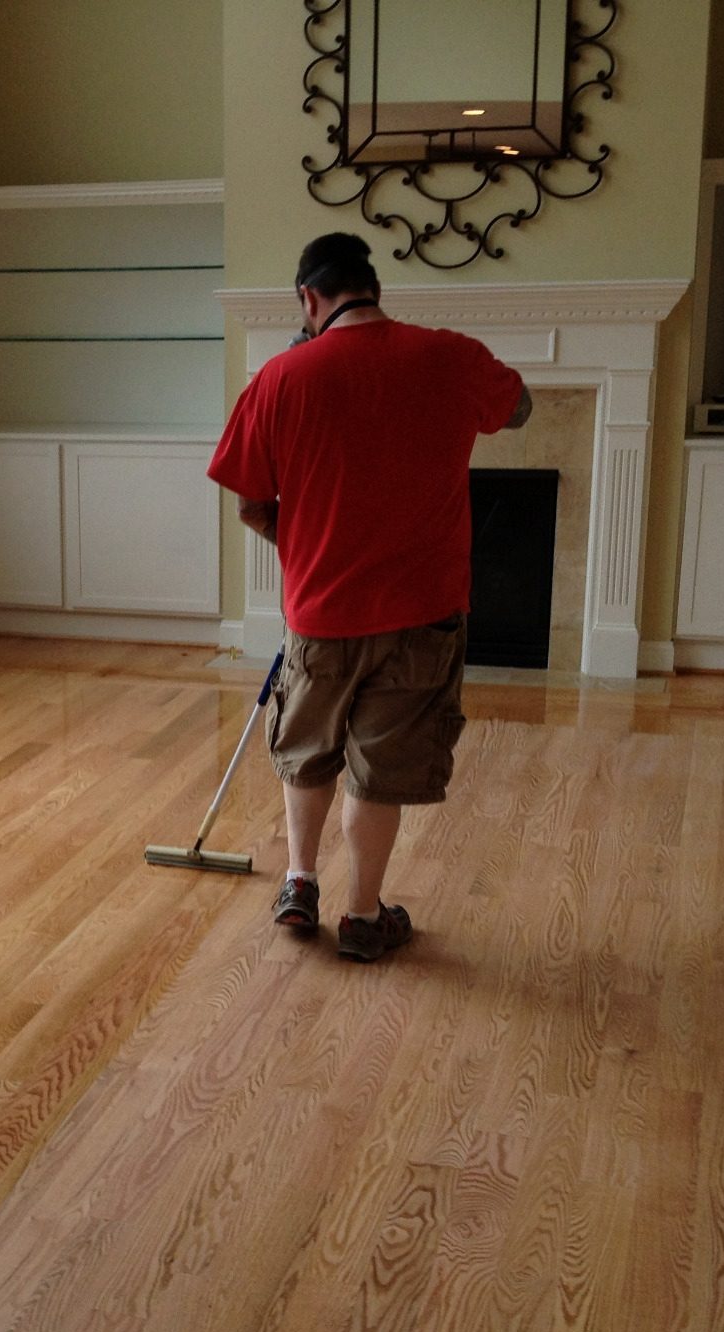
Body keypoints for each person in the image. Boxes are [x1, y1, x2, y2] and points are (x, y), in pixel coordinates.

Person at [207, 232, 531, 961]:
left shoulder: (280, 377)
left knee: (309, 751)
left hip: (321, 613)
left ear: (308, 298)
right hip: (424, 613)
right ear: (373, 288)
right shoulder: (447, 356)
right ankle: (361, 916)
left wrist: (306, 547)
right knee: (380, 767)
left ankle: (298, 883)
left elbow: (251, 506)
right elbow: (521, 409)